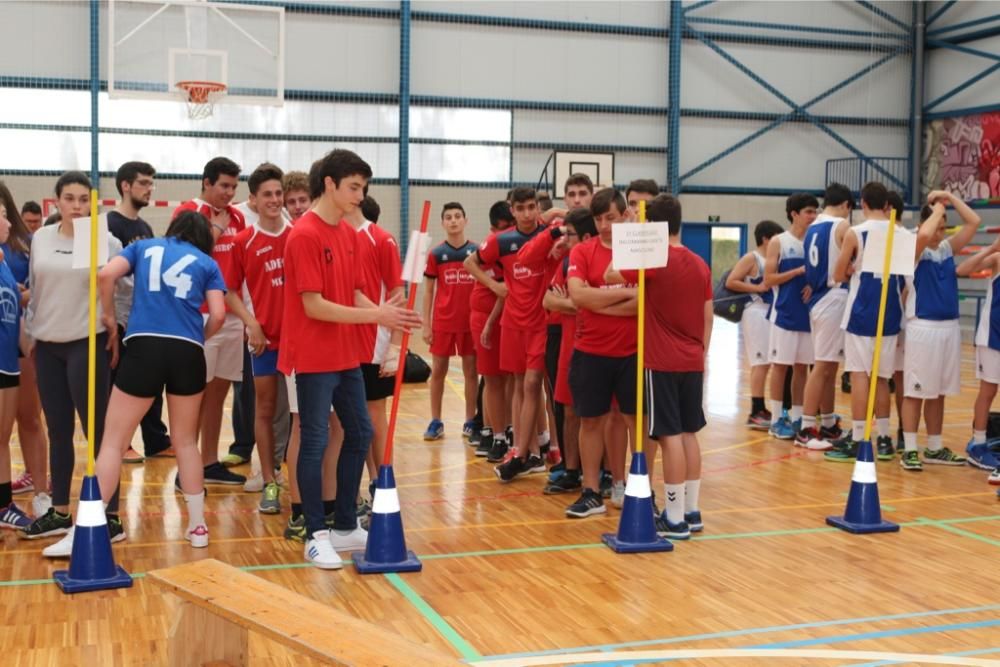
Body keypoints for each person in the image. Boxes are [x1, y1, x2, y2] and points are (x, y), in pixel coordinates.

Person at [43, 212, 227, 556]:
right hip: (189, 351)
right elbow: (218, 314)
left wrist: (109, 317)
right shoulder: (206, 262)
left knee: (113, 442)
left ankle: (86, 529)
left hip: (144, 346)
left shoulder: (143, 246)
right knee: (186, 442)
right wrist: (197, 339)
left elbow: (106, 274)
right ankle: (198, 526)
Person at [278, 149, 420, 569]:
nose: (360, 196)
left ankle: (343, 524)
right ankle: (314, 532)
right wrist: (376, 314)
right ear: (330, 184)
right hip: (313, 355)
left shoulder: (348, 234)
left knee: (359, 433)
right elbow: (314, 305)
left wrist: (385, 314)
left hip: (346, 354)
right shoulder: (304, 235)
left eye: (363, 188)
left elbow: (355, 292)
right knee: (317, 439)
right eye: (354, 187)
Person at [20, 171, 124, 543]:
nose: (77, 206)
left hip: (87, 341)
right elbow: (36, 286)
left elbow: (123, 284)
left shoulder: (102, 239)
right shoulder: (41, 239)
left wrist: (116, 324)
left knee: (96, 432)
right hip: (47, 346)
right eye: (70, 198)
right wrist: (30, 335)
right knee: (58, 431)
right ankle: (61, 512)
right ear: (57, 202)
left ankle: (110, 515)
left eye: (84, 199)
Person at [607, 194, 713, 540]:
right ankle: (692, 511)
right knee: (688, 434)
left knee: (669, 437)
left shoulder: (654, 260)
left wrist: (629, 235)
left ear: (653, 225)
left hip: (662, 361)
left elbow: (610, 275)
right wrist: (702, 354)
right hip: (692, 359)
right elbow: (707, 314)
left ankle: (675, 517)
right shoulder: (700, 264)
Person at [464, 187, 553, 482]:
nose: (528, 213)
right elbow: (470, 263)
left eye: (532, 207)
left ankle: (534, 450)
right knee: (518, 383)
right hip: (513, 323)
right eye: (521, 208)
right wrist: (495, 287)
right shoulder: (501, 241)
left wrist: (556, 214)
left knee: (532, 383)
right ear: (512, 211)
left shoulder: (550, 233)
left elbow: (569, 218)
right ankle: (522, 450)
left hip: (541, 322)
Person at [173, 157, 247, 485]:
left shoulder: (240, 217)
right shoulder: (188, 212)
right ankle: (186, 468)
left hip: (232, 315)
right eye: (223, 186)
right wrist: (215, 229)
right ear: (207, 182)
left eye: (233, 187)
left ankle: (210, 462)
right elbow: (185, 258)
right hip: (199, 313)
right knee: (194, 393)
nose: (229, 193)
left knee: (218, 393)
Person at [223, 164, 292, 513]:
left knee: (302, 415)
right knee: (264, 410)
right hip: (264, 342)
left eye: (278, 193)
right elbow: (230, 291)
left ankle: (297, 482)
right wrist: (251, 323)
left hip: (299, 343)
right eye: (267, 194)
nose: (275, 200)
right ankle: (268, 482)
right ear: (253, 199)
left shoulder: (299, 234)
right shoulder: (243, 241)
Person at [565, 188, 638, 516]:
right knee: (591, 421)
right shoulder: (582, 251)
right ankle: (591, 491)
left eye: (610, 217)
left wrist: (598, 300)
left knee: (634, 421)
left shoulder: (638, 250)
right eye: (598, 219)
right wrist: (621, 297)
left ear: (625, 215)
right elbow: (578, 297)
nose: (605, 225)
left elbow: (642, 304)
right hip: (591, 350)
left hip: (632, 351)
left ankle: (635, 487)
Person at [898, 191, 980, 470]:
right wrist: (935, 210)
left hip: (949, 328)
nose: (941, 233)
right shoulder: (914, 248)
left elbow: (974, 222)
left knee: (938, 392)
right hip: (923, 326)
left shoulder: (945, 249)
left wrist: (948, 198)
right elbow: (923, 236)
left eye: (945, 228)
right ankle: (909, 448)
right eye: (938, 227)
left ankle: (934, 447)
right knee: (916, 391)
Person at [826, 182, 905, 462]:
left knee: (860, 375)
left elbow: (837, 274)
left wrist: (850, 269)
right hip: (891, 313)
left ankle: (860, 438)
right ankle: (884, 438)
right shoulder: (902, 233)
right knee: (882, 378)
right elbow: (906, 281)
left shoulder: (855, 233)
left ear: (862, 202)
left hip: (862, 311)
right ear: (886, 205)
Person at [106, 161, 173, 462]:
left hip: (144, 315)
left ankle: (156, 441)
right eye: (144, 183)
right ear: (125, 186)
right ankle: (122, 442)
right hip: (119, 316)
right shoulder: (110, 225)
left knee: (151, 381)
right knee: (121, 382)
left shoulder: (144, 229)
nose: (149, 189)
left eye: (151, 183)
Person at [542, 207, 598, 496]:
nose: (564, 239)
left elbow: (595, 301)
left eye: (570, 234)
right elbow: (549, 300)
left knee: (601, 414)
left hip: (596, 343)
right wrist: (579, 300)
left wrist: (583, 299)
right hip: (567, 344)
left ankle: (605, 474)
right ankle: (572, 469)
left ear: (586, 236)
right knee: (567, 407)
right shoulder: (565, 263)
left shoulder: (603, 261)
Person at [0, 186, 48, 517]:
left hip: (21, 337)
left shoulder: (24, 244)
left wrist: (23, 295)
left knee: (28, 417)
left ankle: (41, 486)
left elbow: (42, 286)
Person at [795, 183, 854, 449]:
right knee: (822, 366)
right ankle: (806, 427)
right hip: (832, 295)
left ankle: (828, 423)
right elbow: (847, 265)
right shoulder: (842, 226)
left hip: (820, 297)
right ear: (846, 206)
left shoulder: (813, 227)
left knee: (829, 366)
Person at [422, 202, 478, 441]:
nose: (453, 220)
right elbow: (428, 291)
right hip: (443, 322)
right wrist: (426, 323)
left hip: (470, 322)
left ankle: (470, 419)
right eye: (448, 217)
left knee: (471, 371)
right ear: (443, 223)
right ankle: (436, 420)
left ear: (466, 221)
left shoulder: (477, 251)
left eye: (457, 216)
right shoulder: (436, 254)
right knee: (438, 371)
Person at [764, 193, 818, 439]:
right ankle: (776, 419)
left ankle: (797, 417)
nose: (813, 216)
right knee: (780, 367)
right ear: (794, 214)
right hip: (784, 314)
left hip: (807, 316)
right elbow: (768, 279)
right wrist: (797, 272)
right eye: (808, 211)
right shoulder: (779, 242)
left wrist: (812, 285)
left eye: (815, 211)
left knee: (801, 369)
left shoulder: (814, 242)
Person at [725, 220, 782, 429]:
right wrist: (757, 287)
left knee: (769, 361)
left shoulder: (773, 258)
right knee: (760, 362)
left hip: (771, 312)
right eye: (775, 237)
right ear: (766, 238)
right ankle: (755, 410)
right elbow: (731, 281)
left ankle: (763, 407)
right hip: (755, 312)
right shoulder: (752, 257)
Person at [0, 184, 31, 530]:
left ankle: (4, 505)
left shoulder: (4, 261)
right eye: (3, 216)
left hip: (8, 358)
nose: (9, 223)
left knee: (1, 439)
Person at [473, 202, 514, 461]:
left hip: (506, 318)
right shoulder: (489, 248)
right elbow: (500, 288)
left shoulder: (516, 246)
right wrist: (488, 322)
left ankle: (505, 431)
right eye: (502, 229)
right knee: (492, 379)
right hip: (485, 317)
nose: (506, 233)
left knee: (511, 379)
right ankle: (496, 434)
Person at [961, 236, 1000, 477]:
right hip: (992, 337)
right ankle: (978, 443)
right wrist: (992, 247)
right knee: (988, 391)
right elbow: (963, 269)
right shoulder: (997, 259)